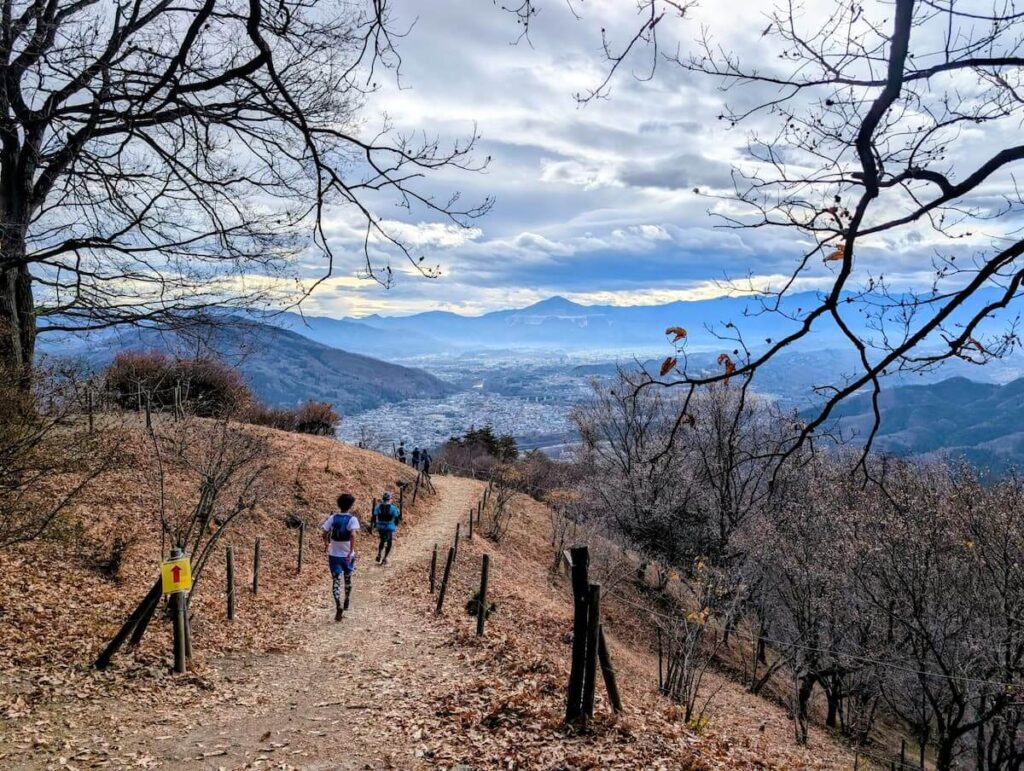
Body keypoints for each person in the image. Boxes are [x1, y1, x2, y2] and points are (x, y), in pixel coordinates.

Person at [320, 493, 360, 622]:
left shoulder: (333, 517)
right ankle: (347, 598)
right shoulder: (352, 519)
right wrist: (351, 550)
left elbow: (324, 532)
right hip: (347, 554)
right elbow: (353, 535)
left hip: (334, 554)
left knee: (336, 580)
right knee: (348, 578)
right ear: (351, 505)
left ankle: (338, 604)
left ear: (339, 504)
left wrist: (326, 544)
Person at [374, 492, 399, 566]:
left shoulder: (378, 506)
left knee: (382, 540)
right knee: (389, 542)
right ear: (390, 499)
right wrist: (396, 525)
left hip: (380, 526)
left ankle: (379, 553)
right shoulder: (393, 508)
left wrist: (375, 524)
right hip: (389, 526)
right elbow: (396, 517)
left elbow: (374, 516)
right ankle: (385, 558)